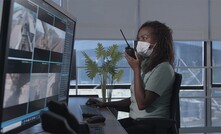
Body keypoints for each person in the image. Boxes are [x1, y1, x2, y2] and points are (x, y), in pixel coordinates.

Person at [87, 20, 175, 134]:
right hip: (136, 121)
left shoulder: (163, 68)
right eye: (139, 39)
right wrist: (105, 104)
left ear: (160, 41)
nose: (140, 42)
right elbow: (133, 101)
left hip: (150, 127)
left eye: (144, 38)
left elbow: (142, 103)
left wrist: (136, 70)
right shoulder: (146, 66)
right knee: (97, 128)